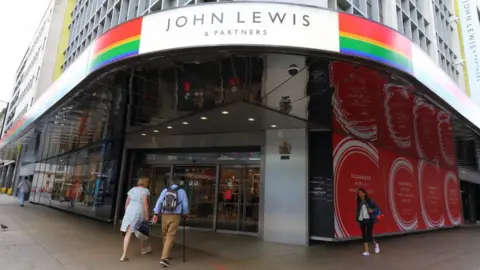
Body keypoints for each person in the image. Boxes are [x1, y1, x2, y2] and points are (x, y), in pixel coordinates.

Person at [152, 176, 189, 268]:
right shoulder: (182, 191)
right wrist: (185, 213)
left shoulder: (165, 190)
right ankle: (164, 258)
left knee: (165, 234)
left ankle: (166, 255)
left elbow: (159, 202)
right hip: (175, 216)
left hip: (164, 215)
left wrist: (156, 214)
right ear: (179, 182)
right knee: (170, 236)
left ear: (171, 182)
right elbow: (185, 204)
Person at [120, 177, 152, 261]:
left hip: (129, 211)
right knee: (140, 230)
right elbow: (145, 204)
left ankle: (126, 254)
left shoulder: (132, 189)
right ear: (145, 183)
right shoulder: (145, 191)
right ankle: (139, 250)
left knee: (128, 233)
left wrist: (127, 212)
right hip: (138, 212)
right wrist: (147, 215)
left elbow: (127, 203)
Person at [356, 188, 381, 256]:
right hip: (361, 219)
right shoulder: (359, 201)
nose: (360, 194)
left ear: (365, 193)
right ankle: (366, 251)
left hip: (369, 219)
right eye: (359, 193)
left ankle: (376, 244)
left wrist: (372, 210)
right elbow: (358, 210)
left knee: (369, 235)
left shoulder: (370, 201)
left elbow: (377, 208)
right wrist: (357, 218)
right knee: (364, 235)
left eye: (362, 192)